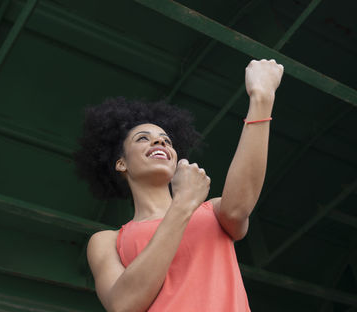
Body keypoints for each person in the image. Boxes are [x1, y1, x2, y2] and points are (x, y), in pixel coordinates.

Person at [73, 59, 284, 312]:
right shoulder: (107, 241)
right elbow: (123, 305)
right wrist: (183, 203)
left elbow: (239, 209)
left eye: (166, 141)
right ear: (121, 163)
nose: (160, 143)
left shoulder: (213, 211)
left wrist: (261, 99)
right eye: (143, 138)